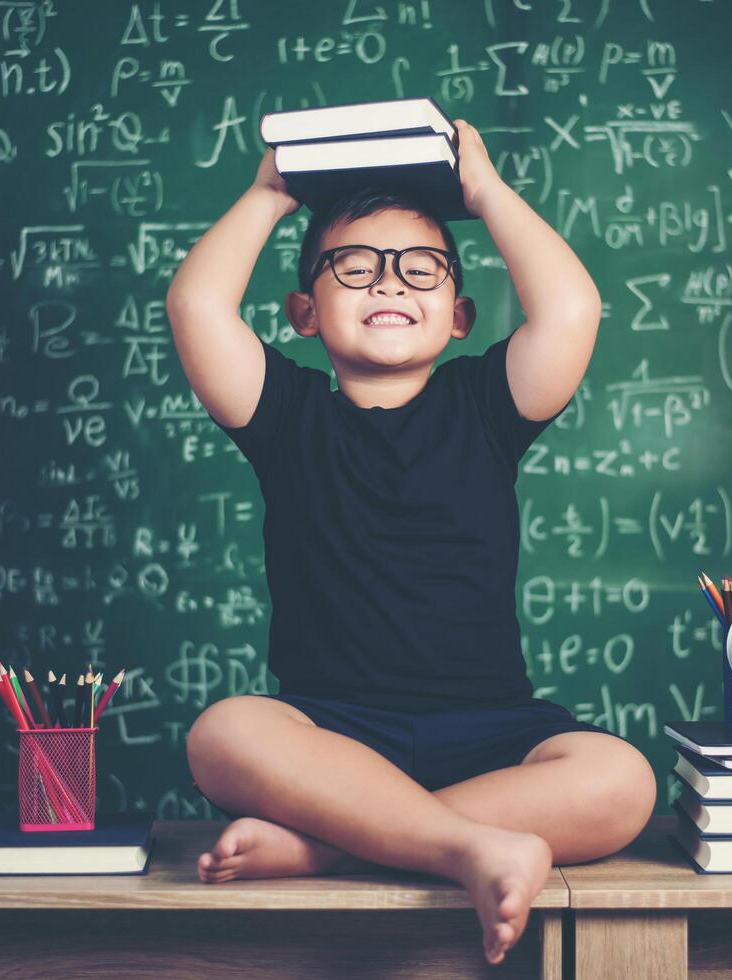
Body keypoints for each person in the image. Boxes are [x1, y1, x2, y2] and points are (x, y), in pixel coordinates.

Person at [164, 118, 656, 966]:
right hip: (332, 738)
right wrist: (267, 194)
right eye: (353, 267)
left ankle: (333, 846)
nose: (388, 282)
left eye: (420, 268)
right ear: (304, 313)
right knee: (224, 733)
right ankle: (469, 846)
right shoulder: (286, 416)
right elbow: (196, 305)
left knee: (622, 781)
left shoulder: (487, 407)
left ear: (460, 314)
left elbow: (572, 306)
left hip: (494, 733)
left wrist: (488, 191)